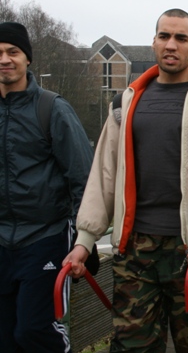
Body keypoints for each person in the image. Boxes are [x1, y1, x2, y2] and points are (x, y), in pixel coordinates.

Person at [64, 9, 188, 352]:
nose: (171, 45)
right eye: (164, 36)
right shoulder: (127, 100)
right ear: (153, 42)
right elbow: (104, 174)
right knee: (131, 345)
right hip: (134, 251)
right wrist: (85, 239)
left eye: (181, 38)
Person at [0, 22, 94, 353]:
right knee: (5, 338)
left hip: (45, 237)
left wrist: (85, 241)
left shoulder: (52, 109)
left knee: (35, 331)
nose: (5, 59)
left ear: (28, 60)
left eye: (13, 52)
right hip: (2, 240)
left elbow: (83, 177)